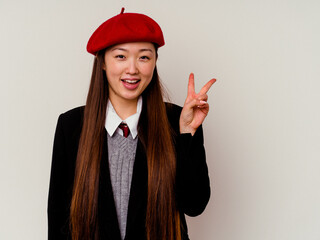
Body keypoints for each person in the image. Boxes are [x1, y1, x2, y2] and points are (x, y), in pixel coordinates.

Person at [48, 8, 216, 240]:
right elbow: (57, 221)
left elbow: (195, 205)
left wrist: (187, 134)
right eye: (121, 56)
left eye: (144, 57)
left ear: (155, 61)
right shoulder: (71, 126)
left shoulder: (177, 120)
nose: (133, 69)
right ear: (103, 62)